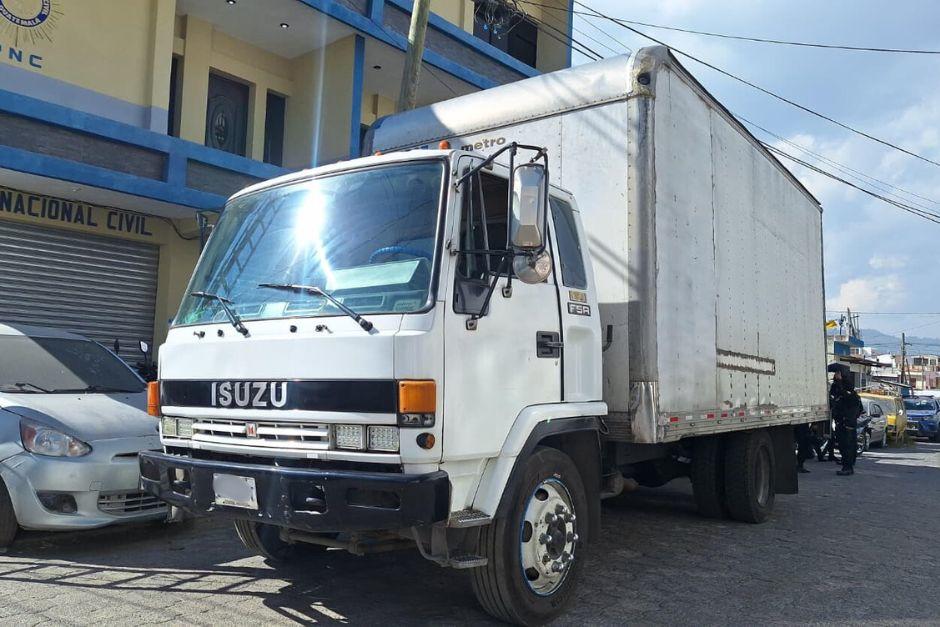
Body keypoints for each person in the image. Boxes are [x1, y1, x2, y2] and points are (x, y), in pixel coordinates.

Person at [827, 363, 864, 476]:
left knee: (847, 445)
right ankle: (846, 464)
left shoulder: (848, 390)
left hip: (847, 422)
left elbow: (849, 400)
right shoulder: (837, 387)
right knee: (843, 445)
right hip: (841, 421)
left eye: (838, 373)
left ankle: (848, 467)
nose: (836, 375)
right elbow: (833, 397)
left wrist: (847, 418)